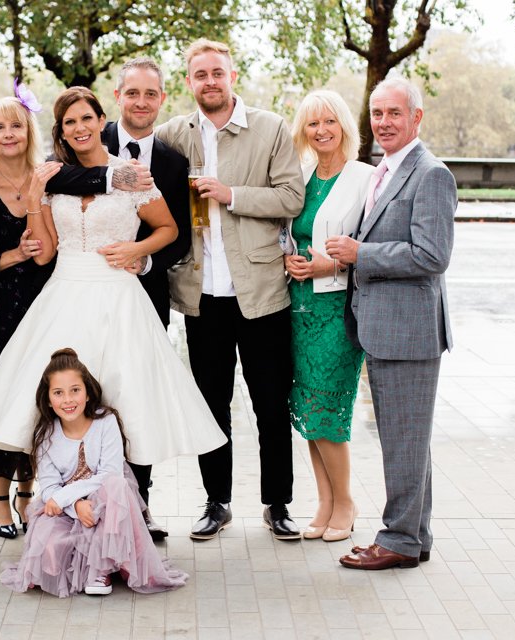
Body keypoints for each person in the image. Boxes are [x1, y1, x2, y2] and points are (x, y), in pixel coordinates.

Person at [0, 87, 226, 502]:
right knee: (59, 400)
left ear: (100, 121)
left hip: (119, 299)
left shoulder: (133, 175)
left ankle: (131, 505)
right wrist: (35, 201)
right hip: (64, 295)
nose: (79, 128)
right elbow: (46, 252)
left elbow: (170, 229)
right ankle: (66, 501)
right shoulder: (51, 178)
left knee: (126, 401)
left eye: (86, 118)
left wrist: (137, 250)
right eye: (70, 122)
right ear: (61, 132)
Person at [156, 39, 305, 540]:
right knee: (210, 404)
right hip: (201, 297)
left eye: (217, 73)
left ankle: (278, 504)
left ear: (233, 76)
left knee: (269, 403)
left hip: (261, 291)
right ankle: (216, 502)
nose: (210, 82)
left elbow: (291, 196)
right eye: (200, 75)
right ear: (189, 82)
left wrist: (230, 194)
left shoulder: (271, 128)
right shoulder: (173, 135)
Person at [326, 77, 456, 570]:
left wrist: (361, 254)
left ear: (416, 118)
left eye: (394, 113)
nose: (384, 123)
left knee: (404, 441)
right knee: (408, 441)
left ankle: (397, 539)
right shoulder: (385, 170)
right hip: (384, 327)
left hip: (409, 331)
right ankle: (414, 536)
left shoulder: (431, 174)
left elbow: (431, 255)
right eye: (377, 114)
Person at [0, 348, 188, 597]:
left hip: (108, 503)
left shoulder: (105, 422)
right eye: (58, 393)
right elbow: (50, 487)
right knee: (49, 545)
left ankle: (101, 568)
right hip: (69, 510)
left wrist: (70, 498)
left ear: (87, 393)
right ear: (47, 399)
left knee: (116, 486)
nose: (68, 400)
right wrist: (75, 506)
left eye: (75, 390)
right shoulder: (45, 435)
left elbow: (110, 473)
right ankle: (79, 563)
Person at [99, 57, 191, 539]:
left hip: (147, 294)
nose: (140, 102)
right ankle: (90, 502)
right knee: (94, 397)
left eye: (150, 94)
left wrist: (145, 258)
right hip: (92, 295)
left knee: (139, 399)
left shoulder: (174, 162)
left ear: (161, 98)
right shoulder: (90, 144)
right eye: (132, 93)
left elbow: (180, 236)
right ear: (118, 97)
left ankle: (140, 505)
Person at [0, 95, 60, 539]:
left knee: (38, 401)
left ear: (28, 131)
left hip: (45, 308)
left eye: (15, 126)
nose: (8, 135)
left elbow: (58, 250)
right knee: (2, 401)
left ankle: (28, 490)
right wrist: (16, 253)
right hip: (0, 311)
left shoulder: (50, 182)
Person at [282, 90, 371, 542]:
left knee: (328, 411)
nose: (321, 131)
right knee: (308, 410)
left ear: (343, 127)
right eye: (313, 124)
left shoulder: (365, 179)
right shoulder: (301, 176)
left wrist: (331, 264)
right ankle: (324, 501)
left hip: (338, 314)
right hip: (297, 310)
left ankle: (347, 502)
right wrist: (290, 260)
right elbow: (288, 233)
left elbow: (369, 246)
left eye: (329, 122)